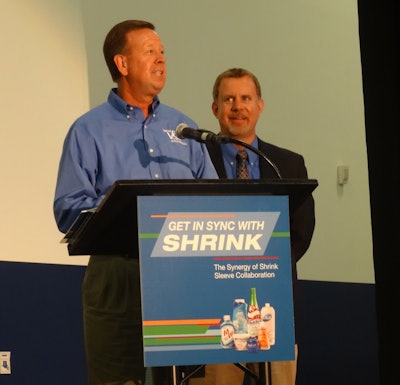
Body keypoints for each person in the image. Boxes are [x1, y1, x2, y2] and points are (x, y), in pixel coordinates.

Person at [53, 20, 218, 385]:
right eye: (149, 52)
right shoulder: (88, 130)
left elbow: (215, 201)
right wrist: (120, 212)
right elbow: (68, 207)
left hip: (182, 274)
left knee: (186, 380)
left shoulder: (185, 128)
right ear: (122, 65)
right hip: (119, 272)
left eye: (162, 53)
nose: (161, 60)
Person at [188, 68, 315, 385]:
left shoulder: (288, 164)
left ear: (260, 105)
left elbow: (301, 231)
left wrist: (259, 269)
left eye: (245, 98)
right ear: (215, 109)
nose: (237, 106)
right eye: (228, 99)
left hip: (273, 306)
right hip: (213, 308)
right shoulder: (195, 160)